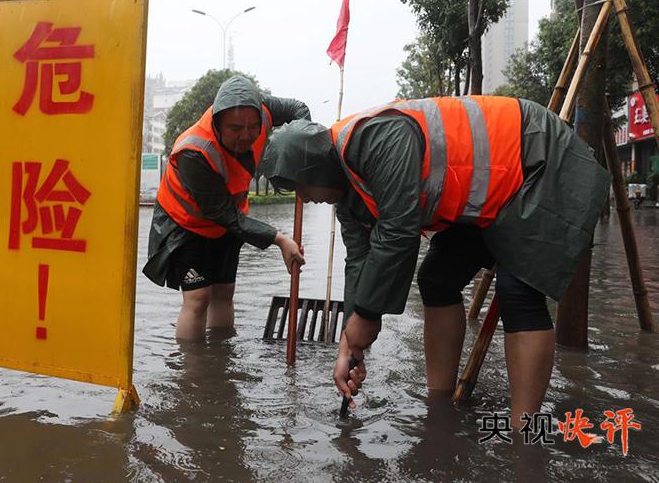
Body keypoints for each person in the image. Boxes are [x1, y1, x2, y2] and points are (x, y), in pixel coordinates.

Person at [258, 96, 610, 425]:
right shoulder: (348, 197)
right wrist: (349, 343)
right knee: (436, 280)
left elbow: (398, 233)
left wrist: (367, 317)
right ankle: (439, 407)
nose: (303, 197)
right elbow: (360, 262)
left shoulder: (379, 138)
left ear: (319, 169)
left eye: (301, 187)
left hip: (537, 162)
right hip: (486, 199)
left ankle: (524, 437)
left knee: (519, 291)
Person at [143, 75, 309, 342]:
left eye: (253, 127)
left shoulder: (261, 109)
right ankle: (194, 374)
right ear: (217, 121)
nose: (246, 135)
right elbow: (222, 214)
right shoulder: (194, 151)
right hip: (187, 224)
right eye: (235, 128)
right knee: (198, 297)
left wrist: (301, 142)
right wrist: (279, 240)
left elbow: (298, 109)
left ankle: (220, 362)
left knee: (224, 292)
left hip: (231, 217)